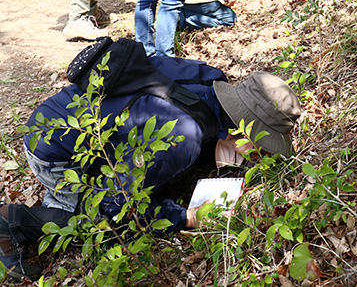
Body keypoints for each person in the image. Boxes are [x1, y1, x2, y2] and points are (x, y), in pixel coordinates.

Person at [0, 55, 301, 281]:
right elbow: (121, 204)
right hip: (53, 146)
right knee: (107, 225)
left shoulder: (208, 79)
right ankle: (13, 222)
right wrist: (185, 217)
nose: (261, 155)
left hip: (65, 111)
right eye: (262, 146)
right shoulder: (184, 136)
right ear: (243, 129)